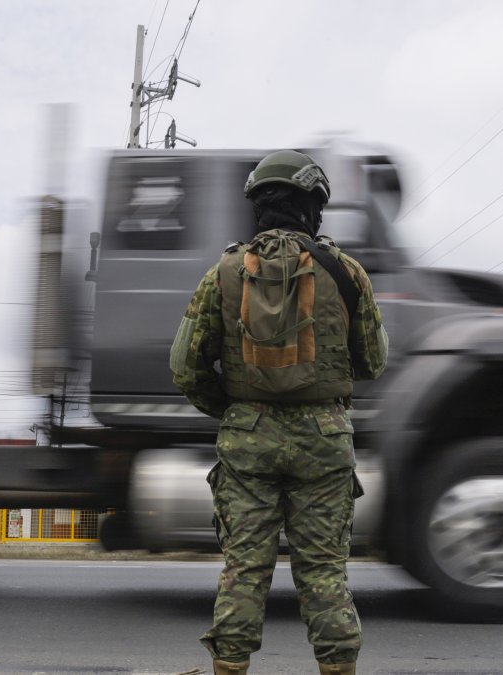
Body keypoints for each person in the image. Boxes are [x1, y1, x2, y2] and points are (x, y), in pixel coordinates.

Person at [171, 150, 388, 675]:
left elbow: (185, 366)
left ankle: (229, 668)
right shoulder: (346, 272)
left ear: (257, 206)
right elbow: (375, 361)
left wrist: (238, 410)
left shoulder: (223, 272)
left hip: (247, 440)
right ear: (313, 206)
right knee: (324, 573)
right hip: (324, 439)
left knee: (243, 569)